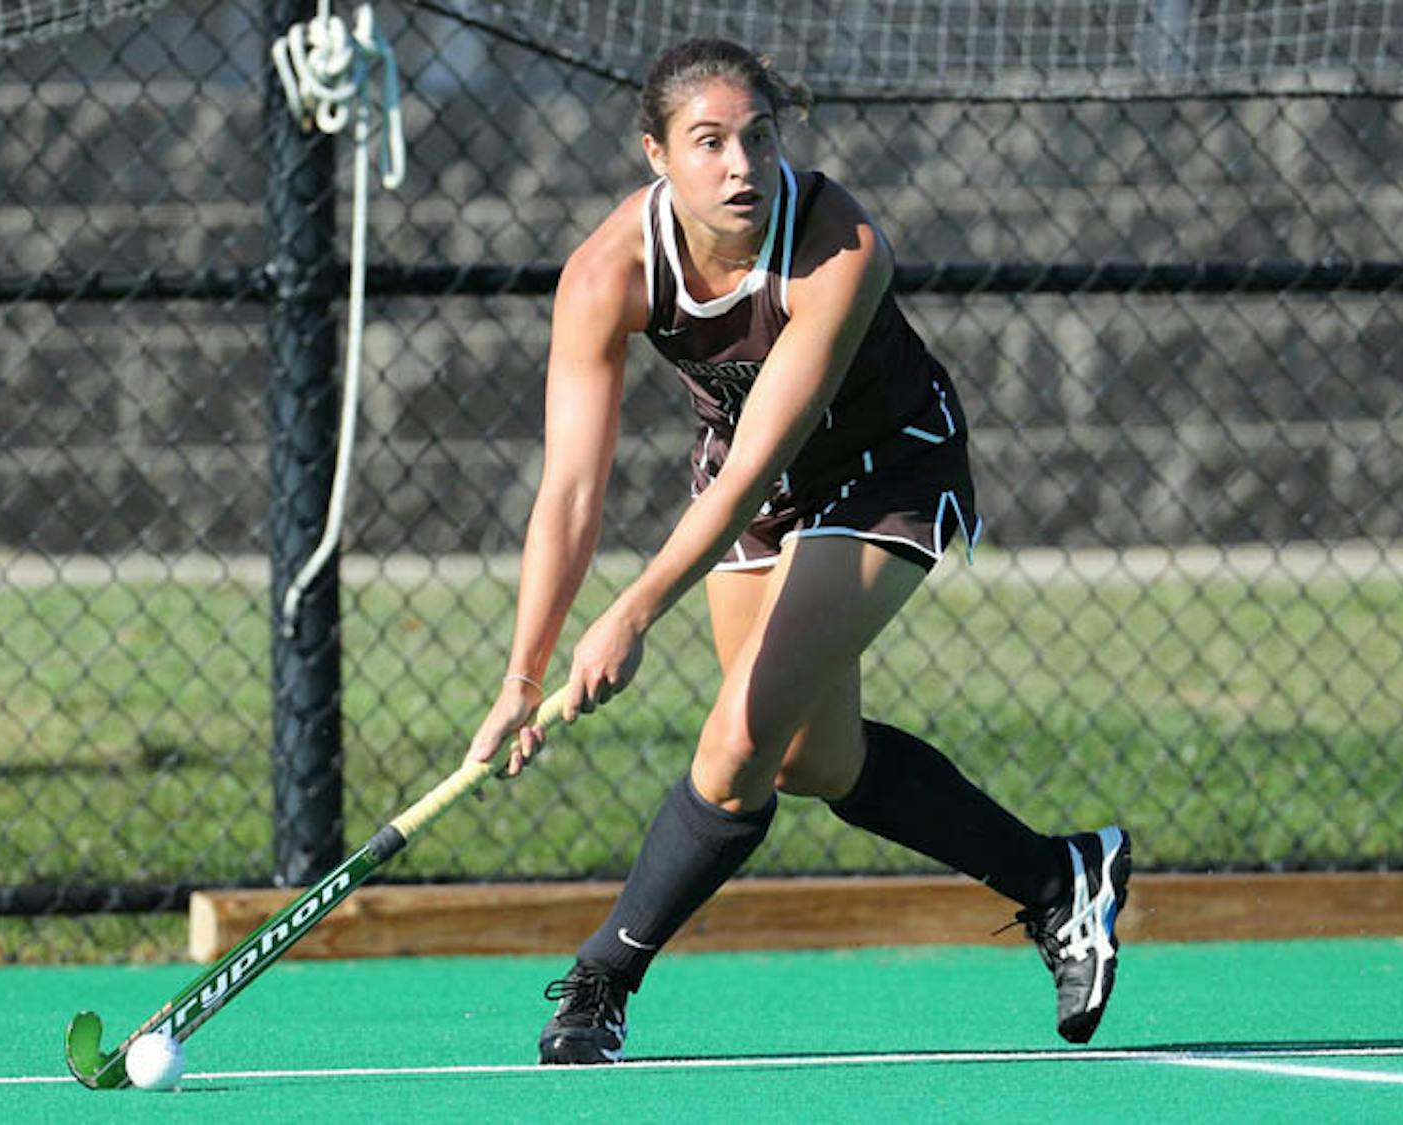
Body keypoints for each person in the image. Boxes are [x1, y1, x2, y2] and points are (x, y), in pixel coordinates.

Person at [465, 37, 1131, 1065]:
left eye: (757, 137)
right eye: (708, 142)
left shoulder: (838, 242)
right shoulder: (606, 274)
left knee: (735, 750)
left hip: (889, 471)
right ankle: (1060, 880)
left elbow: (745, 469)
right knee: (814, 759)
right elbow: (569, 491)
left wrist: (631, 614)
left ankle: (601, 978)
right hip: (766, 491)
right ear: (656, 154)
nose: (741, 165)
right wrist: (524, 672)